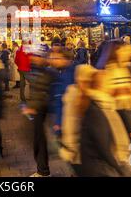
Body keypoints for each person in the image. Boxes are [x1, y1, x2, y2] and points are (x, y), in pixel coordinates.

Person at [79, 70, 131, 177]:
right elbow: (103, 147)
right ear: (101, 85)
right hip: (100, 168)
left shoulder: (109, 104)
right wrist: (121, 170)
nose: (113, 85)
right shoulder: (96, 110)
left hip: (110, 164)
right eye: (110, 82)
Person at [59, 65, 97, 175]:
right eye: (85, 81)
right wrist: (70, 148)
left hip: (89, 148)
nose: (87, 84)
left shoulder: (91, 95)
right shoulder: (73, 97)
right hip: (78, 149)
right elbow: (70, 125)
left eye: (90, 81)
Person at [22, 46, 54, 177]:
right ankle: (42, 169)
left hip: (39, 109)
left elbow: (41, 91)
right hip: (37, 109)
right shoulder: (36, 69)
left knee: (39, 140)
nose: (33, 58)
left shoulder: (46, 72)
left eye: (36, 56)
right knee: (38, 140)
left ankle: (43, 171)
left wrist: (32, 106)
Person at [48, 49, 75, 139]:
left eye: (57, 58)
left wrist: (59, 123)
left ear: (65, 59)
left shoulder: (70, 74)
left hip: (69, 120)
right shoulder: (60, 72)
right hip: (62, 119)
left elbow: (63, 100)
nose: (53, 61)